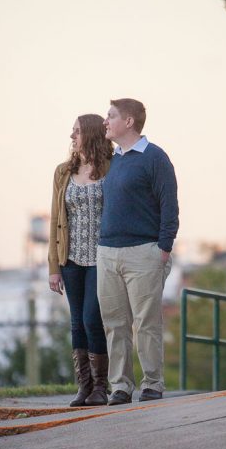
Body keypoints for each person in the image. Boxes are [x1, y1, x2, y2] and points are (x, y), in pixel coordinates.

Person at [96, 98, 179, 404]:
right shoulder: (112, 160)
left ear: (128, 121)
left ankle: (153, 384)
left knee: (147, 323)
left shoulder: (155, 158)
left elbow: (170, 206)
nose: (106, 121)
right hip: (107, 252)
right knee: (115, 325)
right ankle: (120, 386)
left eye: (110, 116)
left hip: (144, 252)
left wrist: (163, 250)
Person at [48, 114, 114, 406]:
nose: (72, 137)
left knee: (92, 319)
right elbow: (54, 221)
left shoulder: (112, 168)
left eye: (76, 131)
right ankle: (84, 387)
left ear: (89, 134)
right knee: (77, 323)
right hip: (71, 259)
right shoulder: (63, 172)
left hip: (101, 259)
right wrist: (53, 268)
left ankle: (102, 386)